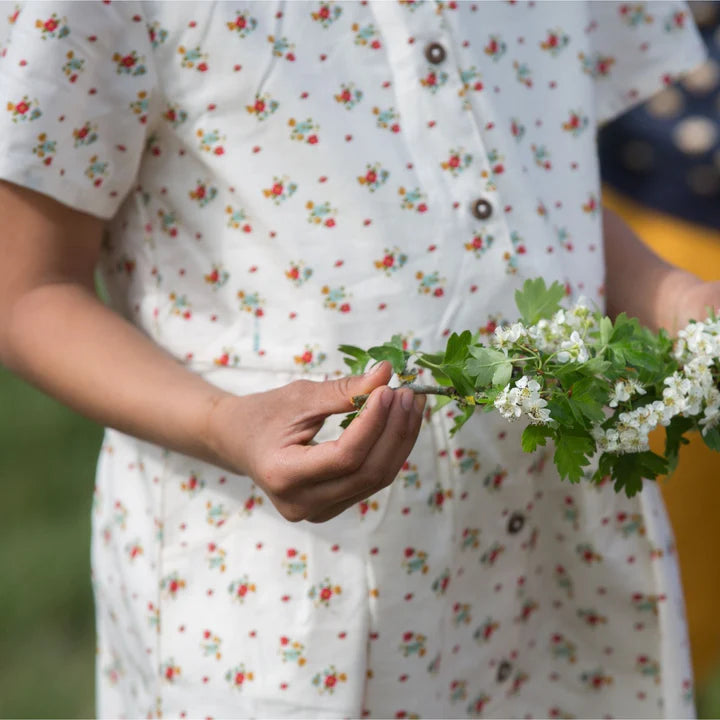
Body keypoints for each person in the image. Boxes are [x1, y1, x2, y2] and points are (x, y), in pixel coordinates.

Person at [0, 1, 716, 717]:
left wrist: (680, 300)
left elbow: (537, 171)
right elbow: (26, 288)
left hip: (552, 578)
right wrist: (225, 423)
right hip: (284, 604)